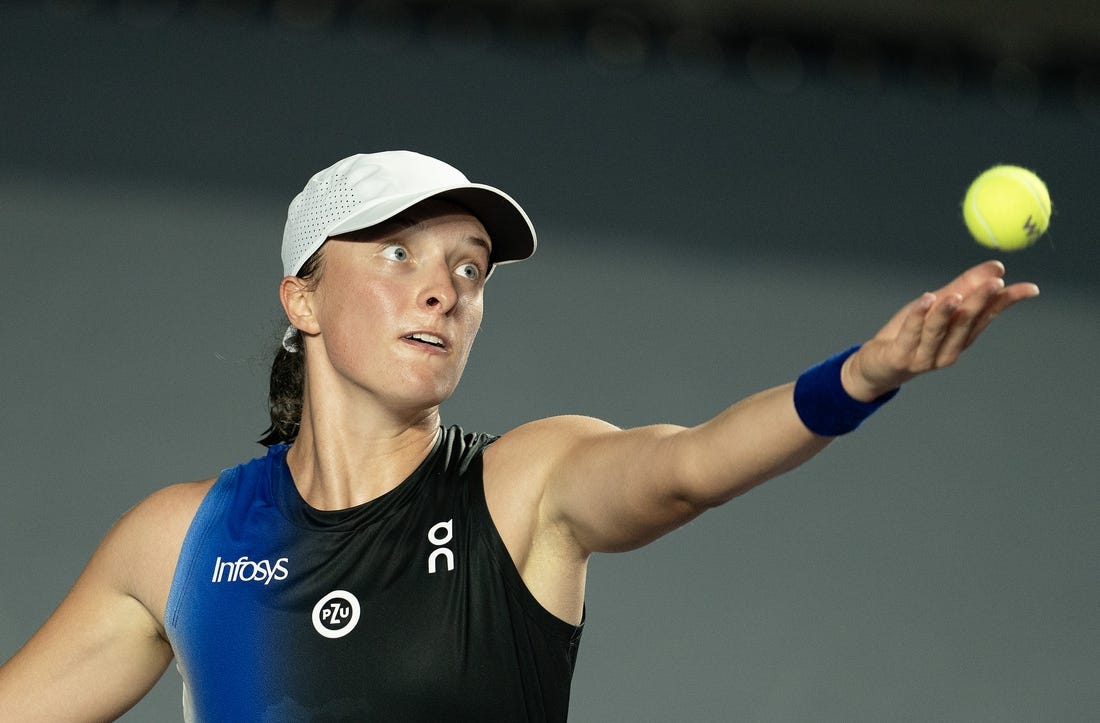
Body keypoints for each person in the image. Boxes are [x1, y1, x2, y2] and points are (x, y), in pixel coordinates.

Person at [0, 151, 1039, 722]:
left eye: (468, 267)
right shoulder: (181, 541)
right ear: (302, 300)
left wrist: (859, 378)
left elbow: (686, 468)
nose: (443, 288)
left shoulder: (525, 487)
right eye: (398, 252)